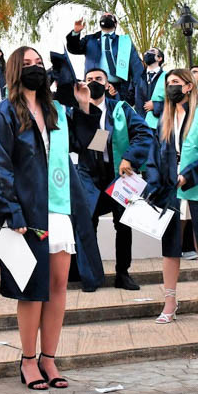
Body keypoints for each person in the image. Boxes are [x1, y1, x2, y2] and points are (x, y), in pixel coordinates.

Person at [0, 46, 97, 390]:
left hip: (61, 207)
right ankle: (29, 360)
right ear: (15, 71)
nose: (35, 69)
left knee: (59, 284)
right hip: (28, 209)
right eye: (28, 64)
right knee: (32, 289)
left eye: (39, 63)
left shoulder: (58, 112)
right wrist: (10, 208)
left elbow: (87, 143)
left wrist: (83, 104)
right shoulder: (4, 113)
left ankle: (50, 358)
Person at [143, 69, 198, 323]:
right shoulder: (163, 118)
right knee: (170, 246)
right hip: (169, 188)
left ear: (189, 87)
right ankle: (169, 303)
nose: (171, 87)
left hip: (196, 185)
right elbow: (153, 156)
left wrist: (188, 174)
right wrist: (155, 182)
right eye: (168, 84)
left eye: (175, 82)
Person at [70, 66, 154, 290]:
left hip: (118, 173)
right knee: (88, 224)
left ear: (107, 85)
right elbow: (73, 142)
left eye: (99, 79)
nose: (94, 82)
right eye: (89, 79)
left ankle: (122, 273)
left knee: (124, 223)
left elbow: (145, 133)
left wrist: (129, 158)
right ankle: (90, 275)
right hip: (88, 174)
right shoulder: (77, 111)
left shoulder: (121, 109)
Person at [66, 12, 141, 99]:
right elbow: (74, 49)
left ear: (115, 23)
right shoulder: (90, 39)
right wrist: (75, 32)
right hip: (93, 87)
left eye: (109, 16)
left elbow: (137, 68)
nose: (106, 17)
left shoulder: (124, 42)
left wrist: (137, 93)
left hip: (119, 90)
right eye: (103, 16)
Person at [132, 47, 165, 123]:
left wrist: (156, 106)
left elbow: (173, 102)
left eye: (152, 51)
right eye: (147, 52)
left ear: (159, 58)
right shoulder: (137, 77)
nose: (147, 53)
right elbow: (129, 99)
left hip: (160, 124)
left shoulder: (167, 77)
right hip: (140, 124)